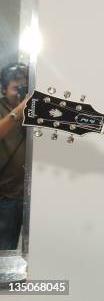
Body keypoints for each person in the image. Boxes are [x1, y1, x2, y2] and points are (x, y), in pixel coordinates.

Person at [0, 62, 28, 250]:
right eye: (15, 88)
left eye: (24, 87)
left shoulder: (31, 111)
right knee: (5, 249)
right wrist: (18, 111)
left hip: (28, 195)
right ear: (3, 90)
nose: (19, 93)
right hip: (6, 197)